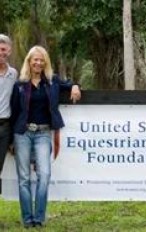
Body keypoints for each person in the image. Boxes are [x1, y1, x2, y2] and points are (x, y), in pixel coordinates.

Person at [10, 45, 81, 228]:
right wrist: (12, 139)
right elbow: (15, 112)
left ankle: (39, 218)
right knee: (24, 178)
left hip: (43, 133)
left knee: (45, 175)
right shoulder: (20, 85)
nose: (38, 63)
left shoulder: (52, 81)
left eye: (42, 60)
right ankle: (28, 219)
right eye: (35, 59)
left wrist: (74, 86)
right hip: (23, 134)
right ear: (29, 61)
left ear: (45, 62)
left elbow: (71, 83)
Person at [0, 34, 17, 183]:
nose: (1, 53)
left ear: (9, 51)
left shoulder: (14, 74)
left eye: (4, 49)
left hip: (5, 128)